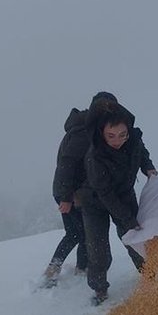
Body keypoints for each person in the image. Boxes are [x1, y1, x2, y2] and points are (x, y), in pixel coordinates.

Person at [76, 99, 158, 305]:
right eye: (111, 136)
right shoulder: (95, 156)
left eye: (122, 135)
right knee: (98, 249)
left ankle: (149, 274)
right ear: (102, 133)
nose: (117, 140)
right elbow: (106, 194)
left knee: (134, 238)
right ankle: (99, 288)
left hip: (124, 193)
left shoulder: (133, 140)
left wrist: (148, 167)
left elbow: (141, 153)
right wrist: (128, 219)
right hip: (95, 202)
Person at [40, 92, 118, 288]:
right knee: (78, 233)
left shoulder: (86, 127)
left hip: (70, 191)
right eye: (106, 110)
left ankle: (79, 269)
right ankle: (57, 269)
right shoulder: (83, 131)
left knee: (80, 232)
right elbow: (67, 163)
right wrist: (66, 197)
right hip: (70, 192)